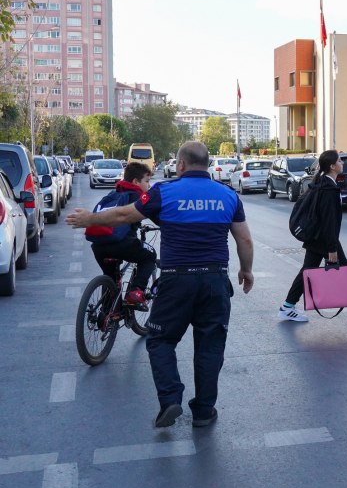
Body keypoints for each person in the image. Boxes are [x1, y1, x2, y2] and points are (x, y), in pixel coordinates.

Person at [66, 141, 254, 429]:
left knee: (161, 341)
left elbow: (124, 214)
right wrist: (246, 270)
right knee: (210, 347)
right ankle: (204, 411)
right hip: (214, 281)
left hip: (177, 281)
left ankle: (170, 400)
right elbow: (244, 239)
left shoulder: (165, 192)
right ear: (207, 163)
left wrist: (89, 219)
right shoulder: (228, 195)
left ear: (180, 165)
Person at [279, 150, 347, 323]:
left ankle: (287, 306)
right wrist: (332, 248)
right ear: (332, 166)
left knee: (307, 270)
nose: (342, 163)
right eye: (340, 161)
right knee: (346, 272)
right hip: (325, 239)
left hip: (317, 237)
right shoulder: (329, 189)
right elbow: (329, 221)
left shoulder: (321, 183)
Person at [89, 162, 156, 308]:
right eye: (147, 181)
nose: (149, 186)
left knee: (111, 277)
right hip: (121, 244)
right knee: (150, 256)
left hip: (98, 246)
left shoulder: (114, 193)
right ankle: (136, 292)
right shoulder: (138, 196)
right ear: (136, 182)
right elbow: (152, 212)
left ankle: (107, 314)